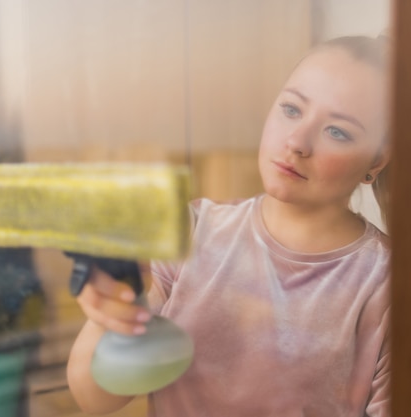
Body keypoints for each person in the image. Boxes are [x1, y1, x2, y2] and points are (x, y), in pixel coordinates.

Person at [67, 34, 392, 417]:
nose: (297, 142)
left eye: (337, 131)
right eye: (291, 109)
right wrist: (113, 314)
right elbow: (96, 399)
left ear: (376, 161)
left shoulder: (388, 284)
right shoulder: (192, 233)